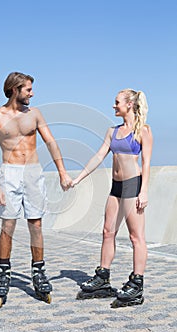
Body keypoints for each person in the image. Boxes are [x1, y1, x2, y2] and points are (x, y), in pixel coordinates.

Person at [0, 72, 72, 305]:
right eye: (28, 90)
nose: (32, 93)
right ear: (15, 90)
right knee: (8, 225)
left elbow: (51, 142)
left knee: (36, 224)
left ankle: (38, 272)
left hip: (33, 172)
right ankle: (3, 273)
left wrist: (62, 171)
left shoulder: (34, 114)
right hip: (9, 173)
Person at [72, 89, 153, 308]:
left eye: (117, 102)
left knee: (136, 237)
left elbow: (145, 163)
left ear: (129, 104)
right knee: (108, 232)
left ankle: (137, 283)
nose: (114, 106)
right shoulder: (112, 131)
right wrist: (78, 178)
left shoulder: (143, 131)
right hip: (116, 187)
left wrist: (143, 190)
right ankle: (103, 278)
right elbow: (99, 156)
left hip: (132, 185)